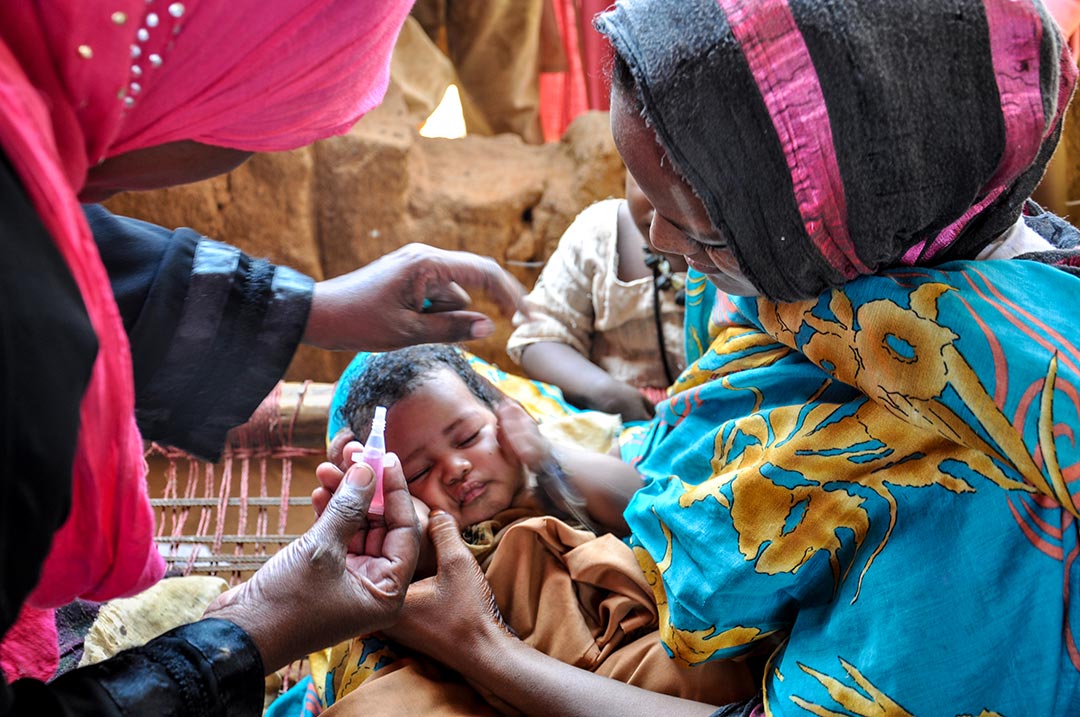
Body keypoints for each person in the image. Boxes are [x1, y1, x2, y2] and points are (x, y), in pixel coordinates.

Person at [314, 1, 1080, 715]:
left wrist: (476, 646)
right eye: (639, 195)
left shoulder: (998, 485)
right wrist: (546, 458)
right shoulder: (810, 294)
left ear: (831, 210)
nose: (658, 244)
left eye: (701, 230)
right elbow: (686, 484)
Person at [0, 1, 529, 714]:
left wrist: (313, 308)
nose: (249, 151)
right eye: (261, 123)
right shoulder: (27, 316)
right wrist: (256, 626)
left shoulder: (23, 168)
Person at [299, 344, 755, 715]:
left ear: (505, 416)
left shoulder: (551, 486)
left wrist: (544, 455)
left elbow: (641, 501)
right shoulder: (434, 541)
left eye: (467, 438)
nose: (456, 468)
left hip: (623, 662)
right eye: (418, 471)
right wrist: (401, 523)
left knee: (714, 667)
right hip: (480, 683)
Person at [507, 172, 689, 422]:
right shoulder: (598, 236)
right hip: (616, 421)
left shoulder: (744, 252)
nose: (663, 202)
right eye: (643, 179)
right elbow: (538, 338)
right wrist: (603, 391)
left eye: (685, 179)